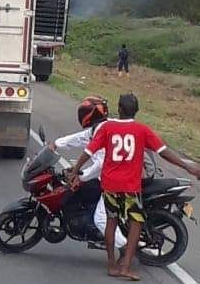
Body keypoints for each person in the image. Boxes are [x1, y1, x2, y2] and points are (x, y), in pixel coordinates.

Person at [70, 93, 200, 280]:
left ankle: (112, 265)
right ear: (136, 111)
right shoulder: (142, 130)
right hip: (130, 186)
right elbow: (164, 153)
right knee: (136, 222)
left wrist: (75, 170)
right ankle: (126, 267)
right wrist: (188, 167)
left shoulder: (107, 127)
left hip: (110, 184)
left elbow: (89, 151)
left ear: (119, 109)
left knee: (111, 222)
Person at [48, 96, 128, 250]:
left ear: (90, 114)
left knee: (101, 218)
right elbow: (80, 138)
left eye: (83, 112)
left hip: (113, 179)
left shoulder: (103, 130)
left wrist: (80, 176)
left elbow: (101, 164)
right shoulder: (99, 127)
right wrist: (56, 144)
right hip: (113, 175)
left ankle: (123, 249)